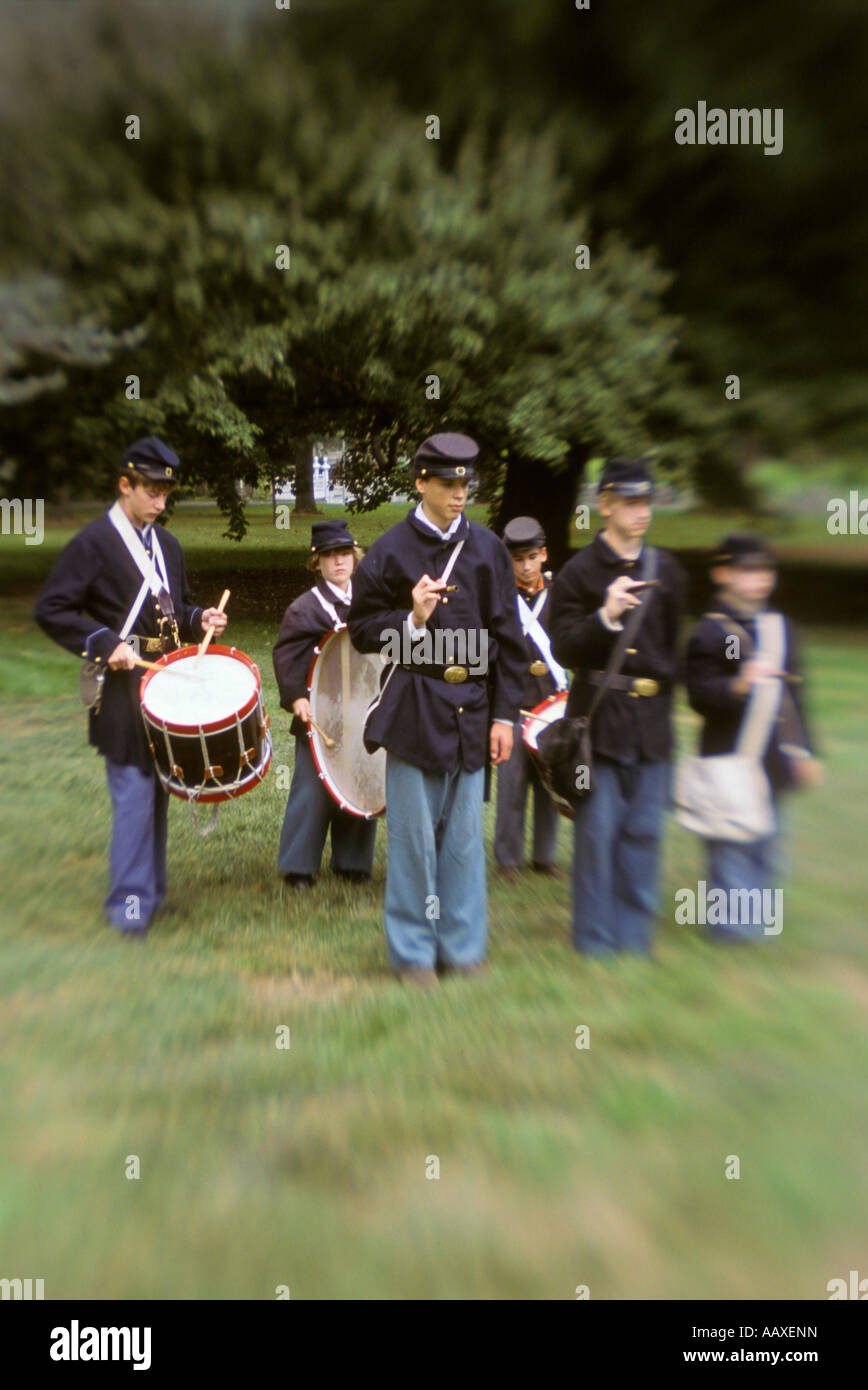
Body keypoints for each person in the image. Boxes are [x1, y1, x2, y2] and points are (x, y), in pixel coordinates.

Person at [347, 432, 527, 987]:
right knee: (413, 844)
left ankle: (463, 947)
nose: (458, 493)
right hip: (414, 708)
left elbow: (509, 639)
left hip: (473, 709)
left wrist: (504, 716)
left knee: (464, 842)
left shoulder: (489, 549)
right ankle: (413, 956)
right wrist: (412, 621)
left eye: (465, 483)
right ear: (420, 481)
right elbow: (359, 632)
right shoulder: (389, 550)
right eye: (447, 483)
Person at [34, 436, 227, 936]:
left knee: (161, 789)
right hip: (122, 689)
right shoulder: (92, 542)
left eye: (166, 494)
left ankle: (153, 896)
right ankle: (128, 909)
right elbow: (51, 608)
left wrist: (197, 614)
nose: (160, 504)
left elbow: (172, 606)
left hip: (166, 686)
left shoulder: (168, 545)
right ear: (125, 484)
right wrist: (102, 642)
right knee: (134, 794)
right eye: (151, 492)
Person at [549, 457, 687, 955]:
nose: (640, 511)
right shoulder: (579, 572)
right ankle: (594, 940)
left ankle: (635, 938)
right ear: (604, 504)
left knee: (645, 833)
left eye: (646, 500)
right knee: (597, 836)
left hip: (650, 726)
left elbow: (672, 651)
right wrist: (605, 616)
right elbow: (562, 647)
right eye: (630, 501)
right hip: (597, 727)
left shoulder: (666, 571)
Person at [685, 533, 821, 942]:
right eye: (747, 570)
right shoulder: (713, 633)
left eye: (764, 570)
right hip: (730, 754)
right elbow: (701, 695)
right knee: (730, 844)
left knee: (769, 845)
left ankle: (757, 927)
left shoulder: (782, 629)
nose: (758, 578)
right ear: (722, 574)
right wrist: (738, 687)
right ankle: (731, 932)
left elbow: (796, 697)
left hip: (773, 757)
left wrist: (804, 750)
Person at [272, 520, 377, 890]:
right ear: (316, 563)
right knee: (311, 789)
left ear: (354, 556)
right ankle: (299, 867)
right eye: (330, 556)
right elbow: (286, 657)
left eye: (345, 554)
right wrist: (297, 697)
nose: (339, 562)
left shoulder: (368, 601)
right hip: (318, 714)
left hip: (361, 711)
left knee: (360, 779)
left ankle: (352, 862)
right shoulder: (305, 609)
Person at [494, 516, 568, 882]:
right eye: (518, 559)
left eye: (532, 557)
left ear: (544, 555)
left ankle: (544, 856)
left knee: (549, 784)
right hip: (515, 704)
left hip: (551, 705)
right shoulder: (500, 600)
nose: (525, 566)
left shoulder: (559, 595)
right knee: (512, 784)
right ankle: (508, 859)